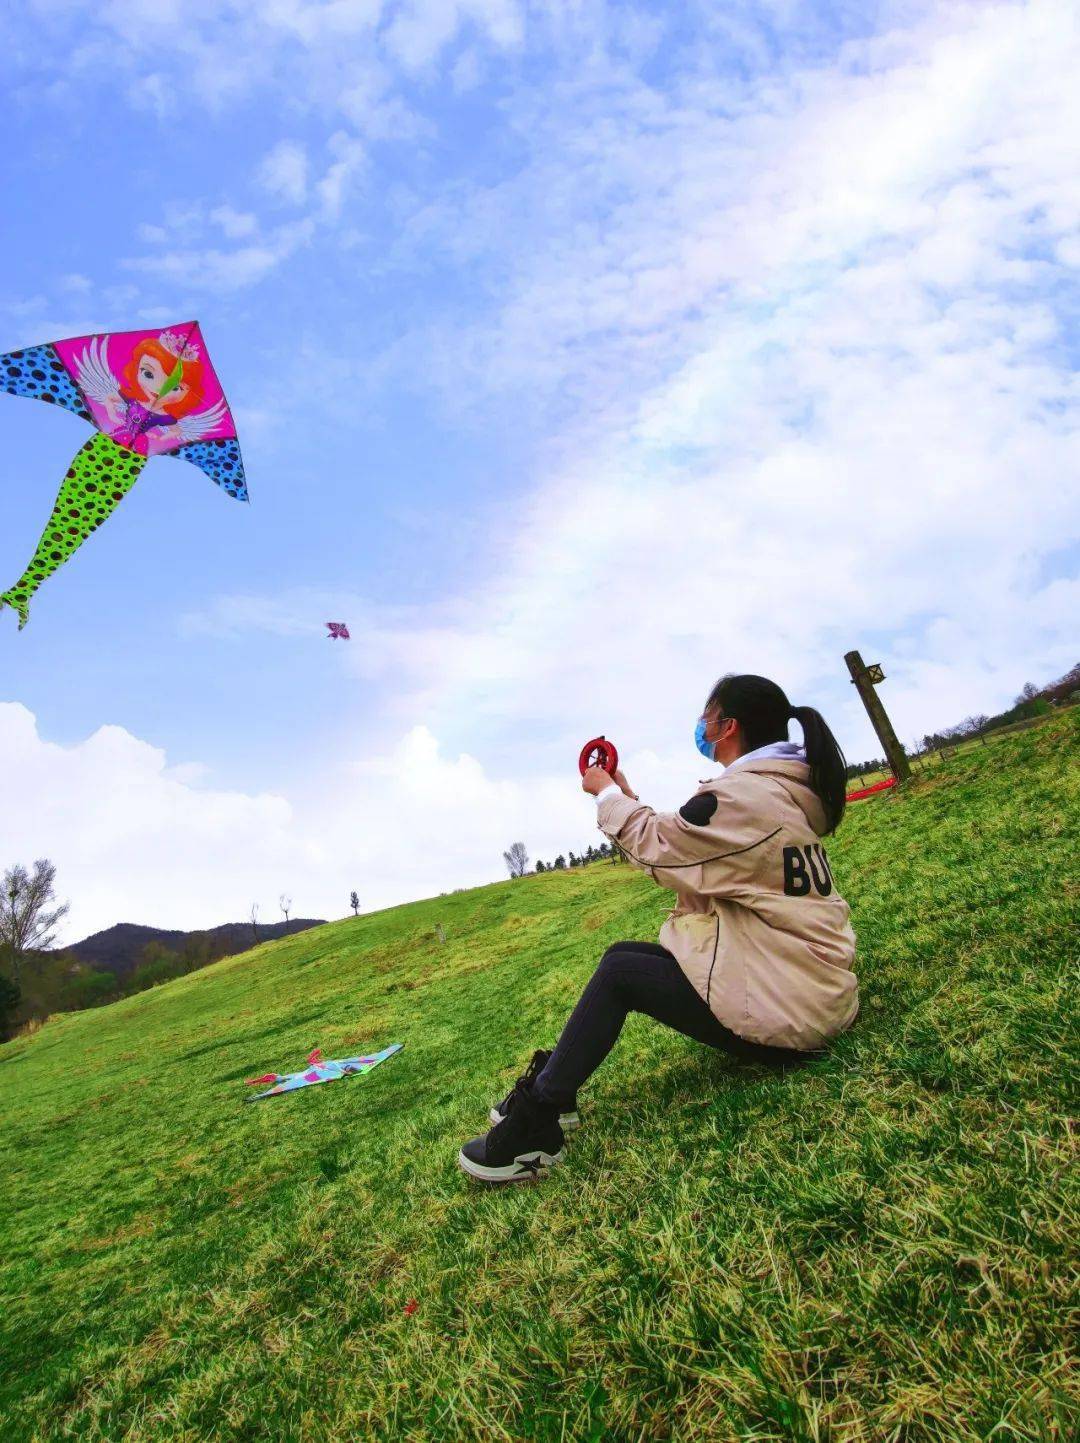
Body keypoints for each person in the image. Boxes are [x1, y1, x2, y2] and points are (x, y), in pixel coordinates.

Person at [457, 673, 859, 1184]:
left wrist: (606, 793)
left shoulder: (744, 797)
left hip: (793, 1017)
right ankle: (557, 1086)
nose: (701, 727)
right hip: (808, 989)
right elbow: (676, 851)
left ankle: (537, 1123)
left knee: (621, 974)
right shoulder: (779, 792)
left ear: (728, 727)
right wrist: (624, 796)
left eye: (706, 718)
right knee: (622, 957)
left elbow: (664, 845)